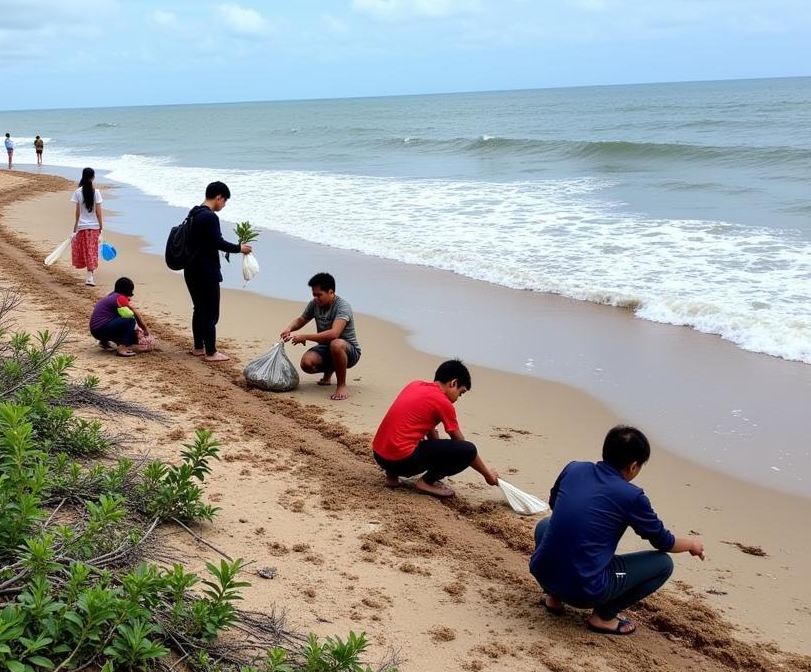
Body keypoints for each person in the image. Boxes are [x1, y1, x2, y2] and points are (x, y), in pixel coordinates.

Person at [530, 425, 705, 636]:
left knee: (546, 525)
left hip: (543, 573)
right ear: (633, 466)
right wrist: (692, 545)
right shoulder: (631, 496)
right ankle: (604, 616)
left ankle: (553, 598)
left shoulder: (574, 468)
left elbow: (555, 505)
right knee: (663, 565)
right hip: (584, 591)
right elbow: (664, 542)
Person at [372, 359, 499, 499]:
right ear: (454, 383)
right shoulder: (443, 402)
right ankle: (425, 482)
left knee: (405, 434)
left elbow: (426, 424)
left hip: (380, 455)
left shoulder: (415, 385)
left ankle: (391, 476)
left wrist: (437, 449)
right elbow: (460, 442)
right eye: (460, 393)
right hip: (403, 461)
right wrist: (487, 474)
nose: (457, 398)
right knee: (469, 450)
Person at [182, 180, 252, 362]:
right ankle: (211, 352)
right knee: (211, 312)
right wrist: (239, 248)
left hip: (191, 269)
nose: (224, 205)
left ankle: (199, 348)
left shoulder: (194, 212)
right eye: (225, 201)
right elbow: (217, 242)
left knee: (199, 309)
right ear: (219, 197)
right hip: (206, 271)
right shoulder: (210, 217)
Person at [279, 272, 361, 400]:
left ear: (331, 292)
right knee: (307, 363)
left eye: (319, 295)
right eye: (314, 295)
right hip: (326, 348)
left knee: (336, 344)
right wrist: (289, 328)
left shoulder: (343, 307)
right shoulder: (315, 304)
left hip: (349, 351)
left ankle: (341, 385)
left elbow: (334, 334)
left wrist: (305, 336)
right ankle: (328, 374)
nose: (316, 298)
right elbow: (301, 320)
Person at [89, 277, 151, 357]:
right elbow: (134, 312)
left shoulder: (111, 296)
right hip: (102, 329)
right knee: (130, 321)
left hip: (95, 331)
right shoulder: (120, 298)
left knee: (130, 336)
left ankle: (104, 342)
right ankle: (122, 349)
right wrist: (144, 328)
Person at [71, 167, 103, 286]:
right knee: (91, 250)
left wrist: (75, 227)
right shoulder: (97, 192)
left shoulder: (78, 192)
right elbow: (98, 212)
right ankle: (90, 276)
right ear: (93, 177)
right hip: (93, 227)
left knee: (85, 250)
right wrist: (101, 226)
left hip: (82, 226)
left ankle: (90, 275)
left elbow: (77, 213)